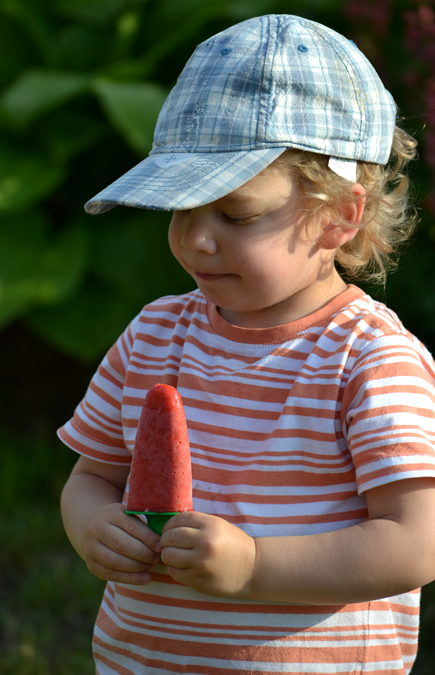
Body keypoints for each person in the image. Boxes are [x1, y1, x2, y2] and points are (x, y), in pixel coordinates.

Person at [59, 14, 435, 675]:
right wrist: (93, 525)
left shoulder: (369, 358)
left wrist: (255, 565)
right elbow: (91, 476)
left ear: (340, 215)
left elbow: (416, 541)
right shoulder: (153, 334)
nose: (196, 238)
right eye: (181, 208)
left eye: (235, 214)